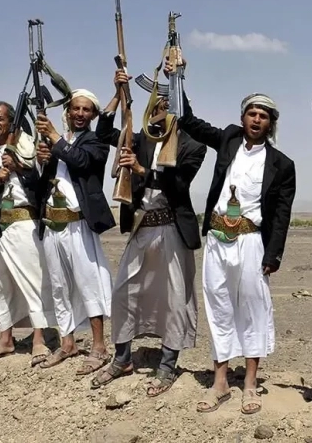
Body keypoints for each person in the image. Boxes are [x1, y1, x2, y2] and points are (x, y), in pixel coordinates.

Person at [171, 58, 296, 415]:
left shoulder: (282, 165)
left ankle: (251, 384)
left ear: (271, 123)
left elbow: (282, 215)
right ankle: (221, 381)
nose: (256, 119)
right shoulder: (227, 139)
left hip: (251, 242)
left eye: (263, 116)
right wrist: (177, 77)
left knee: (253, 310)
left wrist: (273, 254)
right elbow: (188, 120)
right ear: (243, 118)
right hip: (217, 239)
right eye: (251, 113)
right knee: (219, 308)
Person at [90, 69, 207, 396]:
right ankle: (122, 358)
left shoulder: (193, 146)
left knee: (174, 299)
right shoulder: (140, 138)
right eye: (158, 105)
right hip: (142, 226)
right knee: (124, 292)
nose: (162, 110)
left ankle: (167, 365)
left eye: (169, 105)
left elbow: (180, 184)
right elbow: (103, 132)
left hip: (172, 228)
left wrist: (142, 170)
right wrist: (118, 94)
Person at [32, 89, 115, 373]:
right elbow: (45, 181)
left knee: (89, 283)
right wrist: (43, 159)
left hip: (79, 224)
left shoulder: (96, 140)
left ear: (93, 115)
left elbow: (81, 161)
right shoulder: (56, 141)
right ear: (68, 111)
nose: (80, 114)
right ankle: (67, 342)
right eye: (75, 109)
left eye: (86, 110)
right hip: (52, 224)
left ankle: (99, 346)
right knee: (59, 285)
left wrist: (54, 138)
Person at [0, 101, 55, 366]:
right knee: (0, 285)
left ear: (11, 121)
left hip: (24, 222)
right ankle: (5, 340)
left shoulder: (28, 147)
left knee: (33, 281)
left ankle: (38, 339)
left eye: (0, 118)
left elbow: (42, 183)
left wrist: (19, 167)